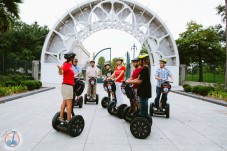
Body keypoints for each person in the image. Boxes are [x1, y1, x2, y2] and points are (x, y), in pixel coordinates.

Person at [126, 54, 151, 118]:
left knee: (143, 105)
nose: (139, 62)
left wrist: (129, 81)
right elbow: (138, 79)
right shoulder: (144, 68)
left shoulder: (144, 69)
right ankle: (143, 118)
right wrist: (128, 81)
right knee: (142, 105)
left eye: (140, 60)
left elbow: (139, 81)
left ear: (143, 61)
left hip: (144, 91)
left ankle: (143, 119)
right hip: (143, 91)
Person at [57, 52, 76, 124]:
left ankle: (61, 118)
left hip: (67, 86)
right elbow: (61, 72)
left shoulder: (70, 66)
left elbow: (69, 76)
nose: (75, 60)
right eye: (74, 58)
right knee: (69, 104)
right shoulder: (66, 65)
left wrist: (74, 77)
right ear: (71, 59)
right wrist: (59, 69)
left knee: (64, 102)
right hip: (67, 87)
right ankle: (69, 120)